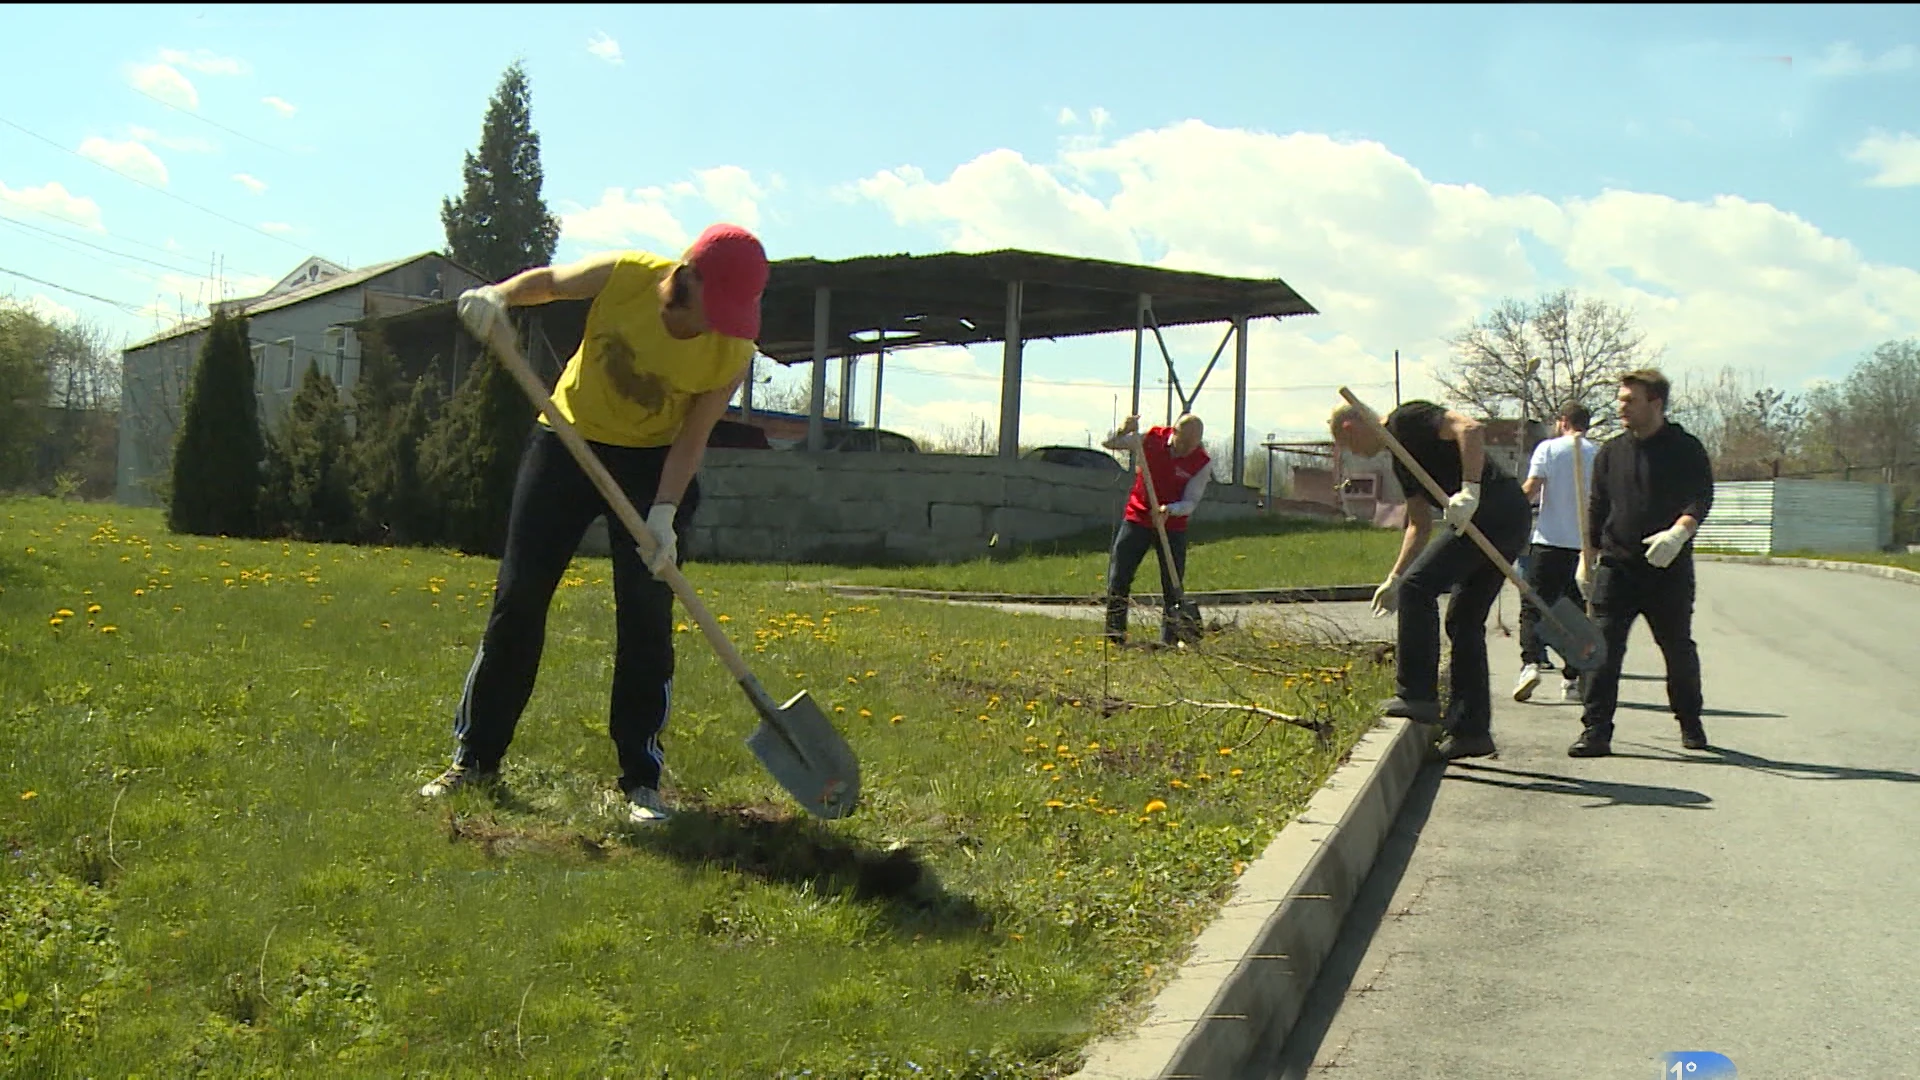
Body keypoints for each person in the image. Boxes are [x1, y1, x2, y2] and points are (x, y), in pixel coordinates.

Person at [417, 223, 770, 823]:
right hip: (565, 440)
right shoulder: (628, 275)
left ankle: (640, 780)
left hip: (654, 465)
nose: (713, 326)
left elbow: (692, 437)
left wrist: (664, 515)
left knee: (646, 617)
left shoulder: (731, 350)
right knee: (519, 598)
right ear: (685, 278)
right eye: (711, 309)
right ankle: (475, 758)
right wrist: (499, 296)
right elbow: (551, 284)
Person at [1330, 398, 1531, 761]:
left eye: (1347, 444)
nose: (1353, 453)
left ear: (1351, 426)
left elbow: (1469, 429)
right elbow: (1418, 525)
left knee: (1418, 589)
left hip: (1496, 512)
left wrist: (1470, 490)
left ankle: (1417, 695)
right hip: (1492, 521)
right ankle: (1471, 732)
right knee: (1463, 621)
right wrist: (1393, 577)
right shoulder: (1400, 461)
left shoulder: (1409, 419)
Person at [1568, 369, 1715, 757]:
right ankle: (1596, 730)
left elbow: (1700, 498)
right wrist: (1589, 559)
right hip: (1618, 567)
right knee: (1601, 649)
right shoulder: (1611, 452)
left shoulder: (1686, 448)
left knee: (1677, 648)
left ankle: (1690, 720)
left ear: (1656, 403)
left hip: (1668, 568)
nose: (1621, 407)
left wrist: (1679, 533)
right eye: (1620, 399)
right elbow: (1597, 507)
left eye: (1630, 400)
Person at [1101, 413, 1211, 648]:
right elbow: (1109, 443)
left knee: (1172, 585)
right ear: (1175, 433)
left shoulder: (1201, 462)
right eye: (1183, 444)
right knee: (1119, 577)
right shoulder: (1150, 439)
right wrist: (1123, 430)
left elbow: (1191, 501)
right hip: (1138, 517)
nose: (1185, 451)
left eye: (1192, 446)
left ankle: (1169, 641)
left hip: (1172, 526)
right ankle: (1114, 637)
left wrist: (1169, 510)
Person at [1514, 404, 1600, 703]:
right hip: (1584, 547)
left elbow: (1532, 488)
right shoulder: (1598, 453)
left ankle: (1531, 663)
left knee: (1533, 605)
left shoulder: (1548, 449)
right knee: (1576, 612)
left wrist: (1506, 509)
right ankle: (1572, 680)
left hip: (1549, 543)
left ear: (1562, 422)